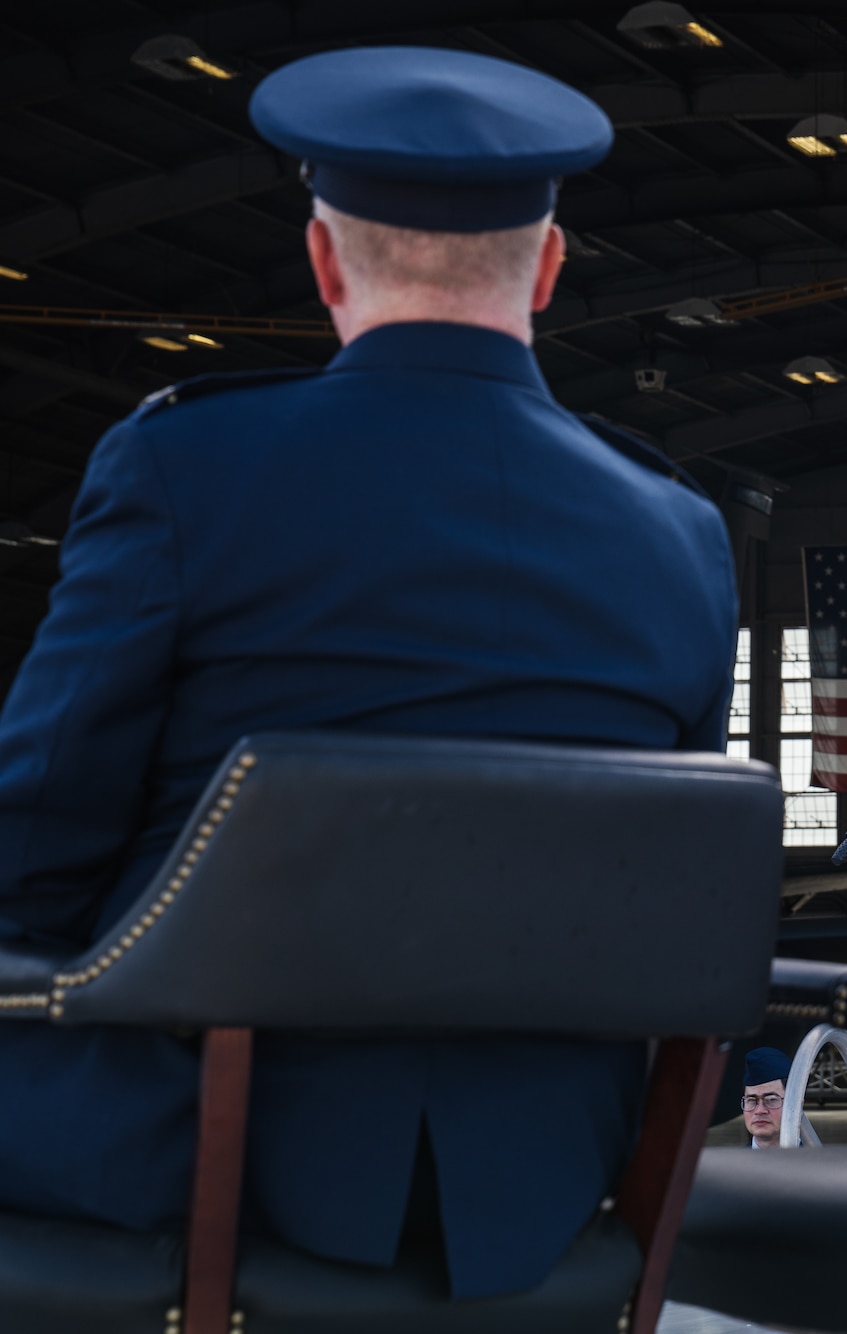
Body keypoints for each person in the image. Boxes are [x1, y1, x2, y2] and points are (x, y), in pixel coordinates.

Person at [0, 47, 737, 1300]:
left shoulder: (185, 468)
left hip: (210, 1140)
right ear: (549, 270)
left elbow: (31, 841)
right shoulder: (680, 534)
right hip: (547, 1165)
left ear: (323, 260)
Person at [741, 1047, 794, 1149]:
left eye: (771, 1100)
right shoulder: (731, 1163)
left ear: (796, 1105)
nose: (760, 1110)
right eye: (751, 1100)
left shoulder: (818, 1162)